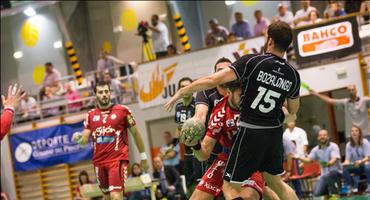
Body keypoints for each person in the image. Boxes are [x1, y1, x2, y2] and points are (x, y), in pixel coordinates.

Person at [165, 21, 301, 200]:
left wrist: (183, 91)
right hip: (273, 133)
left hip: (251, 131)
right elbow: (292, 110)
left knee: (229, 183)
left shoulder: (253, 62)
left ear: (270, 41)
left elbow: (213, 79)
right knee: (277, 185)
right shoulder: (293, 74)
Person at [187, 80, 270, 200]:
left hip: (252, 159)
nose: (245, 99)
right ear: (229, 92)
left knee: (249, 196)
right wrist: (195, 145)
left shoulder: (256, 107)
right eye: (241, 95)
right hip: (226, 159)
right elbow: (203, 155)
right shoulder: (219, 113)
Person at [72, 81, 149, 200]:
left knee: (116, 196)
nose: (104, 94)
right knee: (107, 197)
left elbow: (136, 134)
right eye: (101, 92)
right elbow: (84, 140)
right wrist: (78, 139)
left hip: (117, 160)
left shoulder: (122, 111)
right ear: (96, 95)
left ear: (110, 93)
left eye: (106, 91)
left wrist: (143, 157)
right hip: (99, 162)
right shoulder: (90, 115)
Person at [296, 129, 342, 197]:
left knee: (329, 175)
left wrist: (325, 164)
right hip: (324, 175)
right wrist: (298, 157)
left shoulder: (333, 146)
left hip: (336, 173)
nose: (322, 137)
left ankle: (335, 194)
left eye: (324, 135)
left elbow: (333, 160)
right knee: (316, 192)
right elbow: (308, 160)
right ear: (318, 138)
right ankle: (328, 193)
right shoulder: (316, 149)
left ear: (328, 137)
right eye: (320, 135)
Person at [173, 77, 200, 188]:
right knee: (189, 186)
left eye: (188, 86)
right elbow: (179, 127)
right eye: (182, 87)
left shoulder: (198, 105)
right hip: (187, 152)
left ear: (193, 88)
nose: (185, 89)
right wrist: (173, 144)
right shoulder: (178, 106)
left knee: (201, 185)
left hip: (199, 153)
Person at [342, 125, 370, 193]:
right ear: (350, 134)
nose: (354, 132)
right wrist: (344, 164)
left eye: (356, 131)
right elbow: (347, 159)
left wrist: (361, 161)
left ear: (359, 133)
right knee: (344, 168)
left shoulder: (365, 142)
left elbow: (368, 157)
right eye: (352, 131)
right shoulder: (348, 145)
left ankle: (369, 185)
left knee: (367, 166)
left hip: (365, 164)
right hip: (356, 166)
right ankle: (350, 187)